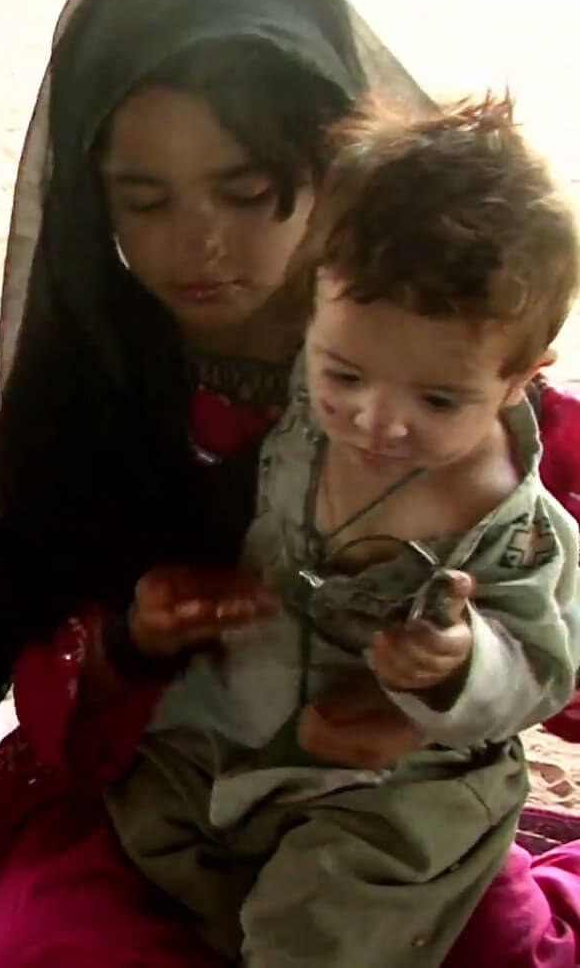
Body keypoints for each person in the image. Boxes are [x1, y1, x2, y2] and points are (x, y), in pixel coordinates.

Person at [0, 0, 580, 965]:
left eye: (248, 189)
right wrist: (130, 637)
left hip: (379, 815)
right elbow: (37, 632)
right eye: (144, 200)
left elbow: (547, 624)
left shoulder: (459, 381)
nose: (201, 242)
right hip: (166, 782)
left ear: (330, 175)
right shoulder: (93, 389)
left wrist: (430, 702)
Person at [105, 95, 580, 966]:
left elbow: (544, 666)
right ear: (312, 318)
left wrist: (457, 666)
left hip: (402, 774)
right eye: (344, 371)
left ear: (521, 378)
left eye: (438, 399)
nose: (375, 418)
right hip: (254, 703)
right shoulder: (305, 398)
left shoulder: (510, 521)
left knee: (322, 928)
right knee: (146, 821)